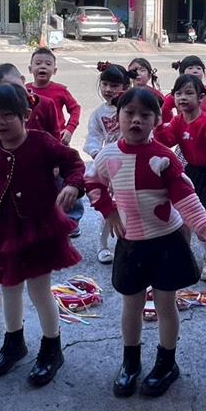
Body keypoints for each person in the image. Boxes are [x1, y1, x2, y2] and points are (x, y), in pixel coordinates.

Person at [86, 88, 206, 398]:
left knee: (166, 304)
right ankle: (130, 362)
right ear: (118, 117)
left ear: (157, 120)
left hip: (166, 242)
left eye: (145, 115)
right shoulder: (108, 156)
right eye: (129, 113)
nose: (136, 120)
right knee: (131, 305)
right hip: (130, 243)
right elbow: (92, 182)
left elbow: (186, 198)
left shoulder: (164, 158)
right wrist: (109, 211)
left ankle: (167, 363)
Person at [0, 84, 86, 386]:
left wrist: (73, 185)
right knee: (9, 286)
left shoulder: (42, 142)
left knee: (39, 290)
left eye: (7, 115)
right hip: (2, 230)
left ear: (25, 115)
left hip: (39, 228)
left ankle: (52, 347)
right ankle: (14, 342)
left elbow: (73, 162)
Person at [156, 74, 206, 282]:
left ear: (201, 98)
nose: (183, 98)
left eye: (189, 93)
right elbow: (166, 140)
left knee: (201, 217)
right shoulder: (178, 121)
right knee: (183, 218)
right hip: (192, 172)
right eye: (178, 94)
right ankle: (183, 256)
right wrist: (158, 124)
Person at [27, 48, 84, 235]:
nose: (42, 67)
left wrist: (69, 129)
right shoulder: (25, 90)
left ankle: (72, 219)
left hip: (58, 143)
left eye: (48, 64)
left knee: (66, 179)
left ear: (55, 70)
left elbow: (75, 109)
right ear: (30, 68)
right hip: (32, 145)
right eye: (38, 63)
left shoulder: (60, 90)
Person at [85, 63, 133, 264]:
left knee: (133, 205)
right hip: (110, 164)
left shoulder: (133, 107)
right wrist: (97, 154)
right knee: (109, 206)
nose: (108, 89)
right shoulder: (98, 113)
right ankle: (102, 245)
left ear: (126, 86)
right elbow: (93, 137)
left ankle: (132, 242)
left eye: (114, 85)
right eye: (104, 84)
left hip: (133, 162)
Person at [0, 63, 60, 139]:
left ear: (22, 79)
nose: (11, 91)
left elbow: (55, 136)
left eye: (13, 85)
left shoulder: (46, 103)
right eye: (4, 90)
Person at [161, 56, 206, 121]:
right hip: (184, 127)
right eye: (190, 68)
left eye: (198, 68)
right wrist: (169, 122)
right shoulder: (177, 94)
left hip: (205, 126)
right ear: (182, 73)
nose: (195, 71)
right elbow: (164, 107)